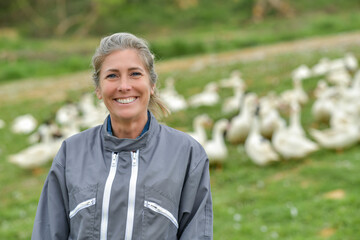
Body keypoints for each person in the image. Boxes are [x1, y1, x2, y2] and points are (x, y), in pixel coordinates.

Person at [31, 32, 213, 239]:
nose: (124, 86)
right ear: (98, 89)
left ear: (152, 84)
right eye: (112, 75)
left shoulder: (187, 154)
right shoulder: (71, 153)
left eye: (135, 74)